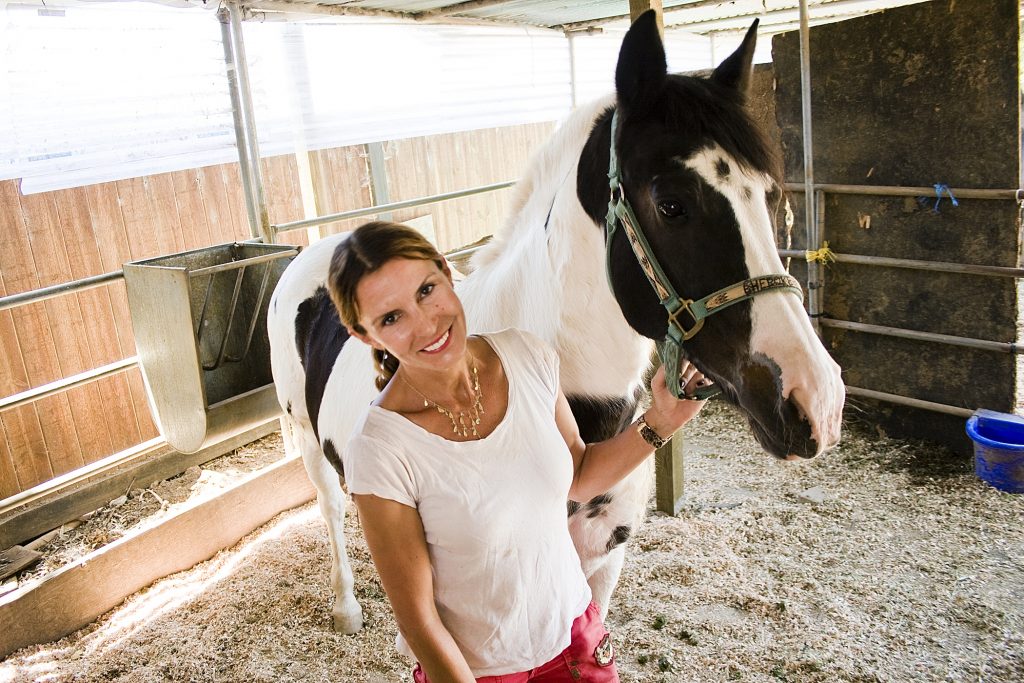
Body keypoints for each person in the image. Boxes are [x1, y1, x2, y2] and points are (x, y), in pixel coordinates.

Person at [330, 221, 707, 683]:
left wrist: (662, 421)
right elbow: (419, 621)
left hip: (576, 642)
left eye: (427, 290)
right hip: (482, 672)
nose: (426, 323)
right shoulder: (379, 448)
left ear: (448, 274)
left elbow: (580, 473)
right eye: (391, 317)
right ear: (364, 335)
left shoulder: (526, 355)